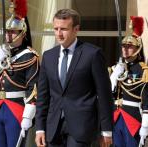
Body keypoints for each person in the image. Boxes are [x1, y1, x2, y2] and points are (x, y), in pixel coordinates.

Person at [35, 9, 113, 147]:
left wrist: (106, 130)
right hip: (53, 127)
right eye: (56, 28)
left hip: (81, 127)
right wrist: (40, 128)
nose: (59, 33)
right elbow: (43, 95)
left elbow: (104, 95)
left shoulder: (93, 54)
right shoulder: (48, 56)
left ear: (76, 29)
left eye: (64, 29)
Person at [0, 2, 39, 146]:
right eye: (7, 31)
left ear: (22, 33)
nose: (8, 34)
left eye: (12, 31)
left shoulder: (29, 56)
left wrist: (28, 116)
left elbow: (34, 89)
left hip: (16, 109)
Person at [110, 16, 148, 147]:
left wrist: (145, 128)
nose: (125, 49)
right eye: (123, 46)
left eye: (129, 47)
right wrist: (115, 74)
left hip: (133, 120)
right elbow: (109, 92)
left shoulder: (144, 72)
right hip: (116, 117)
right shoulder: (116, 69)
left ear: (137, 49)